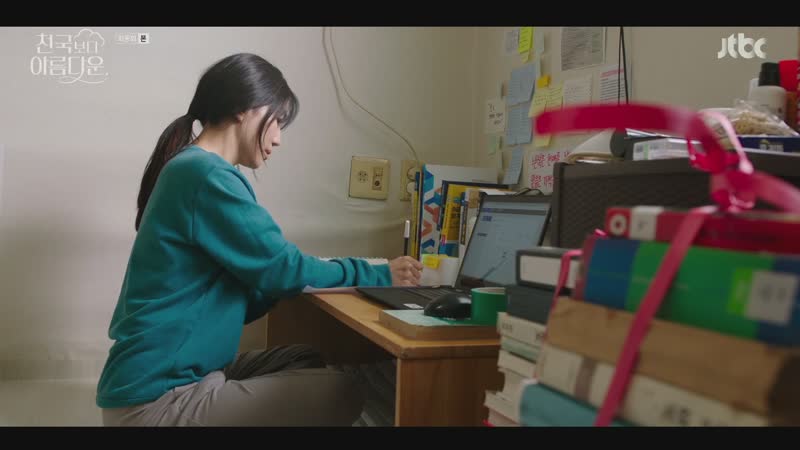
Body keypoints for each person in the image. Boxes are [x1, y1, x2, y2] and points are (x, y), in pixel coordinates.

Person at [96, 53, 423, 426]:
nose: (278, 138)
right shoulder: (205, 175)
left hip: (184, 376)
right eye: (277, 120)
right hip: (155, 401)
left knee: (304, 359)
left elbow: (259, 285)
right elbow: (284, 268)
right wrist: (379, 274)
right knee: (343, 390)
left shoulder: (193, 169)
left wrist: (291, 276)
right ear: (244, 109)